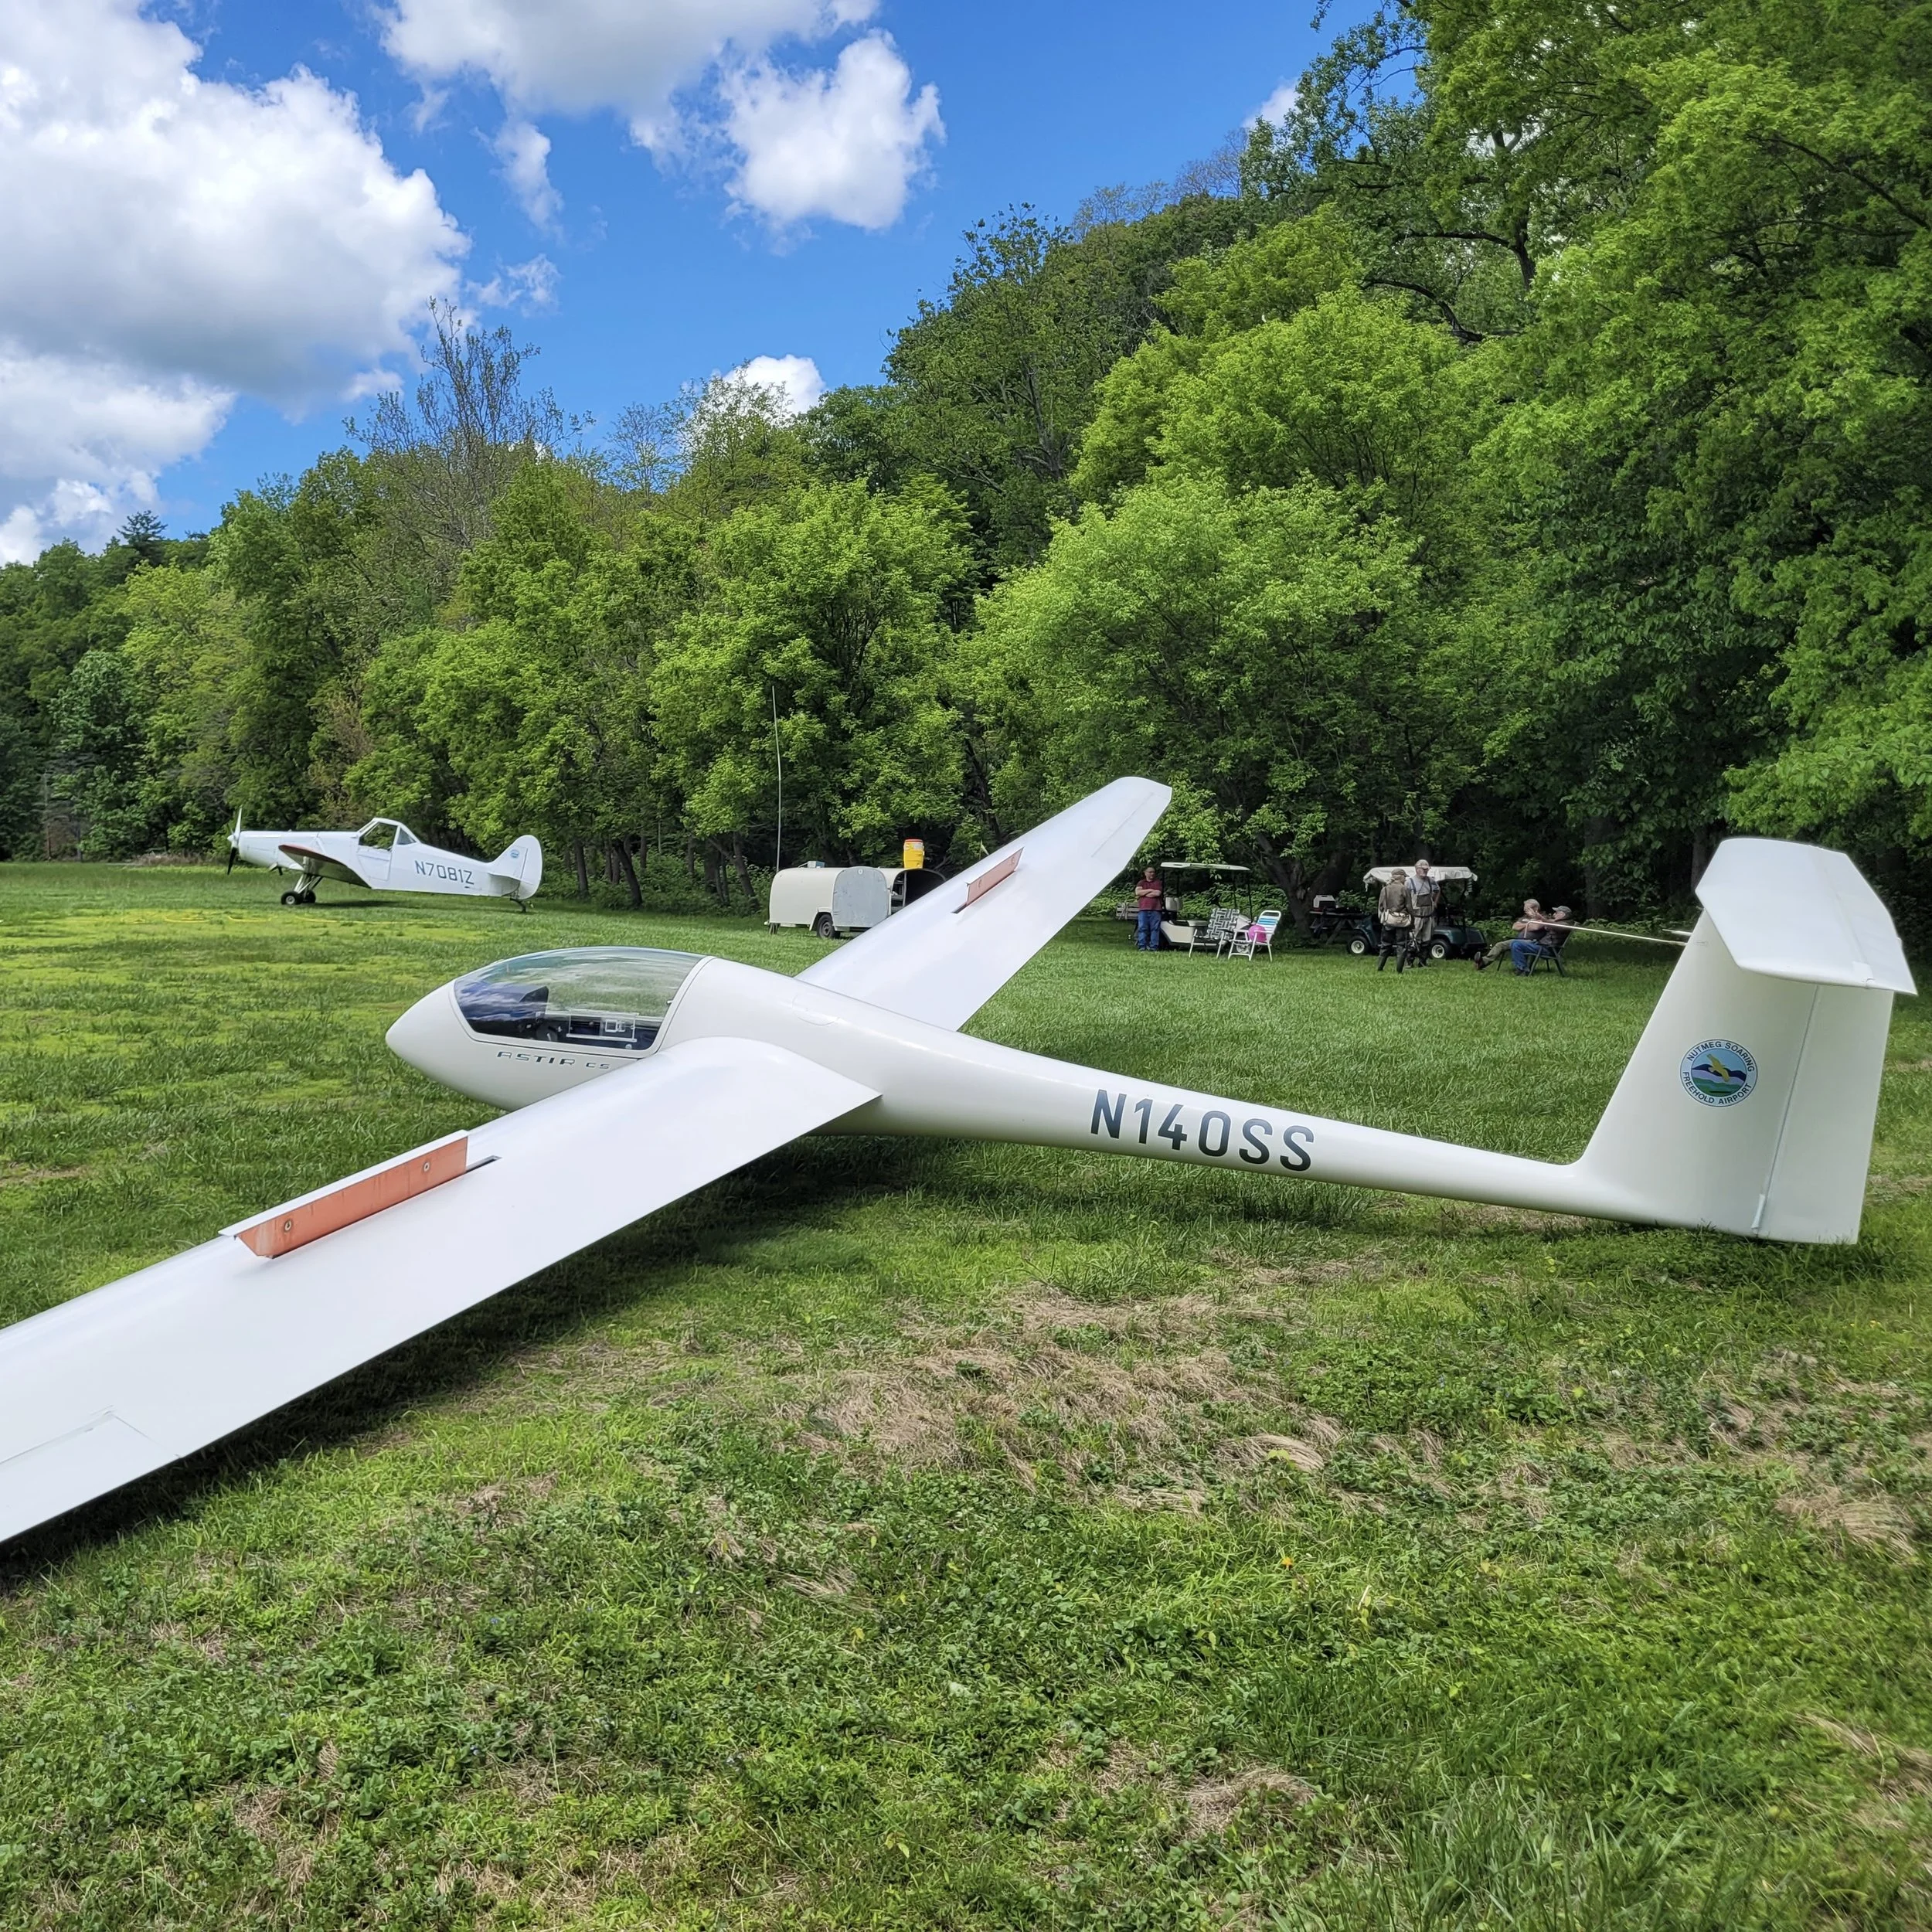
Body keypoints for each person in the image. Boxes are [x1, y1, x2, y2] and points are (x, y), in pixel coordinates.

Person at [1475, 900, 1544, 972]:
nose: (1525, 911)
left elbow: (1536, 927)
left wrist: (1532, 920)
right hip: (1518, 940)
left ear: (1535, 909)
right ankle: (1483, 962)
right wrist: (1528, 925)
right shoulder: (1524, 918)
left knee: (1517, 945)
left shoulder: (1542, 917)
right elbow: (1515, 927)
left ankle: (1523, 969)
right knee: (1500, 945)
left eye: (1527, 909)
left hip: (1533, 942)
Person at [1512, 905, 1573, 975]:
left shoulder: (1564, 925)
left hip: (1548, 949)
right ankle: (1524, 968)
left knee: (1517, 945)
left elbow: (1554, 925)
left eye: (1556, 913)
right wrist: (1537, 917)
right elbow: (1549, 922)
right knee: (1516, 942)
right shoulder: (1561, 923)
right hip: (1543, 946)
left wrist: (1542, 918)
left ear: (1562, 914)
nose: (1554, 914)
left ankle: (1522, 969)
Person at [1406, 858, 1444, 966]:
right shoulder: (1409, 882)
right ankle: (1410, 962)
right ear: (1417, 869)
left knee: (1427, 939)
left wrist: (1435, 902)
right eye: (1423, 869)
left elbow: (1438, 890)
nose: (1426, 871)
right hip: (1416, 916)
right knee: (1414, 939)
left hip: (1429, 915)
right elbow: (1405, 897)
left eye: (1427, 869)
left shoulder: (1431, 881)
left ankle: (1423, 961)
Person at [1376, 869, 1414, 971]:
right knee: (1402, 945)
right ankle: (1399, 970)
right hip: (1402, 921)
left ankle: (1379, 967)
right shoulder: (1404, 889)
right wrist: (1413, 919)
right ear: (1400, 877)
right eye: (1404, 877)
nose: (1405, 879)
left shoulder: (1385, 889)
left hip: (1389, 920)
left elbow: (1381, 906)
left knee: (1385, 944)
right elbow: (1409, 906)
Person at [1133, 866, 1164, 951]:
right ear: (1145, 873)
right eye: (1150, 872)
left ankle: (1154, 947)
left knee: (1155, 929)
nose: (1152, 874)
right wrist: (1150, 890)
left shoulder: (1158, 883)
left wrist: (1144, 893)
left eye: (1153, 872)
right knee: (1142, 928)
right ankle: (1142, 946)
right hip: (1143, 909)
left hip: (1156, 909)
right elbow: (1138, 892)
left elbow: (1157, 893)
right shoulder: (1141, 883)